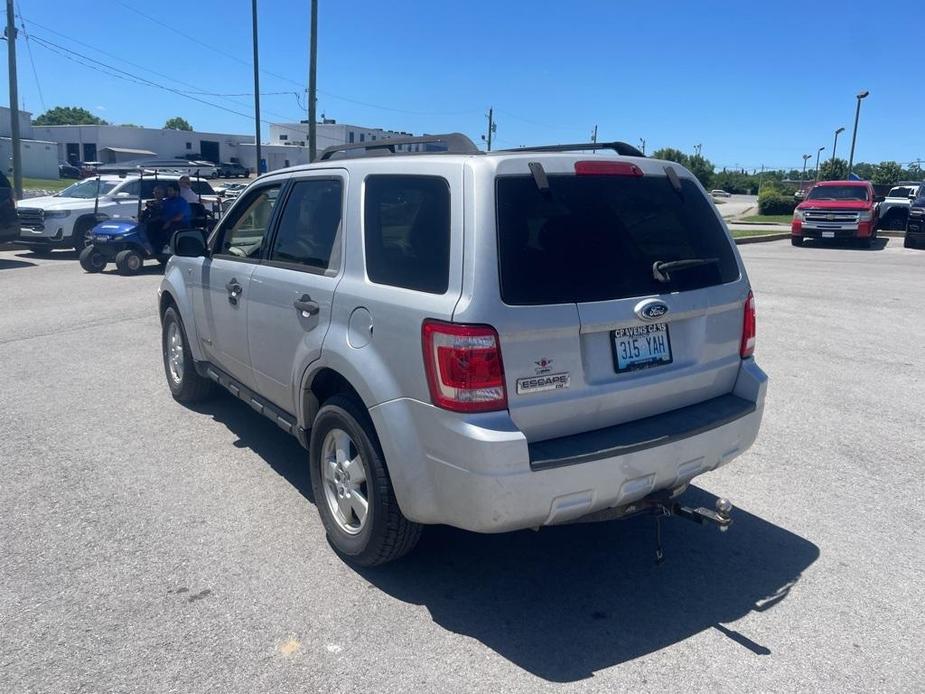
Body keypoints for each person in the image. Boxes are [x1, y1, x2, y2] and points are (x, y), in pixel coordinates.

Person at [155, 183, 191, 250]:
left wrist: (169, 221)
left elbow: (179, 217)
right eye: (168, 191)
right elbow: (160, 210)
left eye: (170, 191)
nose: (168, 193)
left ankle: (169, 248)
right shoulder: (167, 201)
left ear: (176, 192)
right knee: (153, 226)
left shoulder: (182, 202)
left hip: (180, 224)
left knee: (167, 230)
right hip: (166, 222)